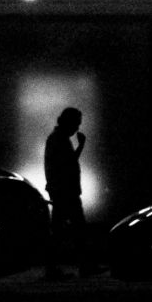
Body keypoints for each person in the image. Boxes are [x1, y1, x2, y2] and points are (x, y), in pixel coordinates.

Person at [43, 107, 101, 279]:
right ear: (69, 122)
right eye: (76, 123)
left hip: (61, 191)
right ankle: (82, 266)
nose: (77, 128)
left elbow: (63, 164)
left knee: (63, 230)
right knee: (77, 229)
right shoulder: (59, 140)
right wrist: (81, 145)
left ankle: (54, 268)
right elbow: (67, 165)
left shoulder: (56, 139)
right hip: (65, 191)